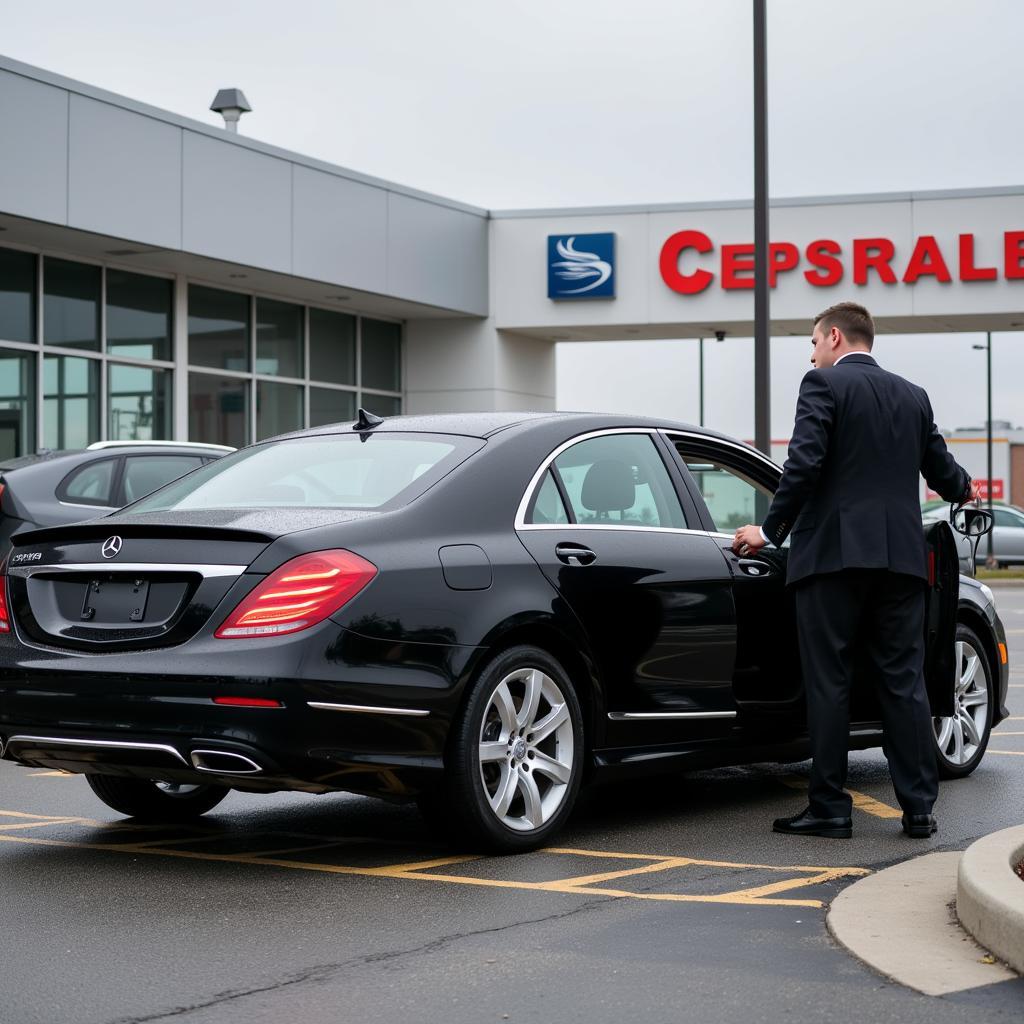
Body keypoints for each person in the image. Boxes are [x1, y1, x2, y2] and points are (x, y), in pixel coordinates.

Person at [732, 301, 974, 839]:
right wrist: (965, 489)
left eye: (814, 342)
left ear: (835, 337)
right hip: (902, 562)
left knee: (829, 681)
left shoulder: (823, 386)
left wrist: (768, 532)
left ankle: (829, 807)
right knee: (903, 681)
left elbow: (804, 463)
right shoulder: (913, 396)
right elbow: (943, 472)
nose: (813, 353)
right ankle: (918, 809)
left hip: (833, 558)